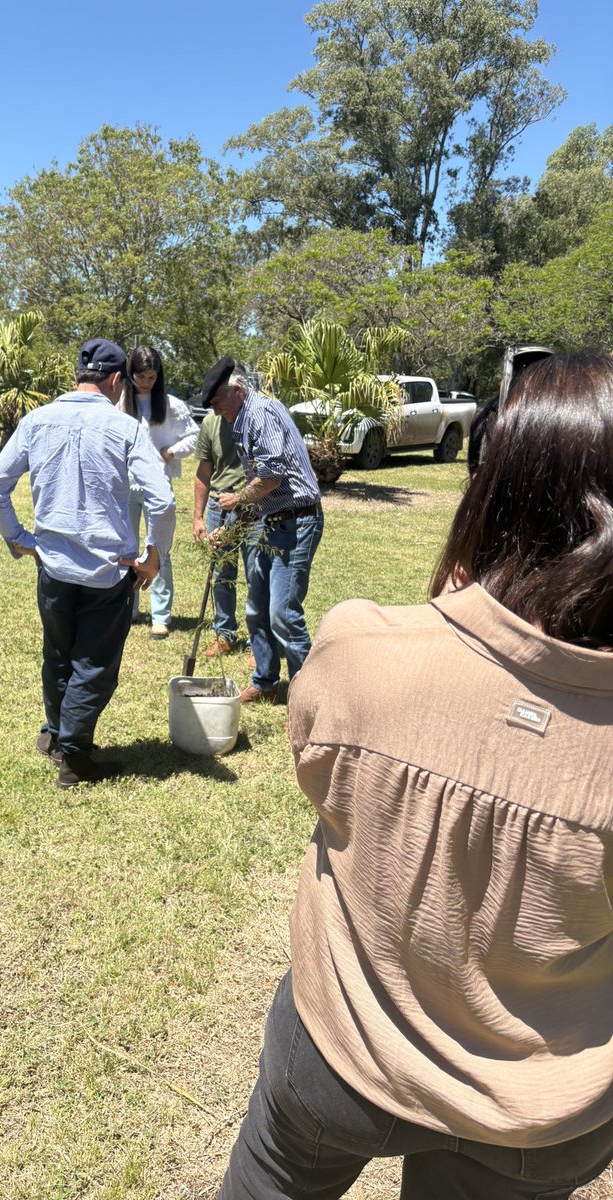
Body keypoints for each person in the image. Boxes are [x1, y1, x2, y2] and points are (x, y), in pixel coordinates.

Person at [218, 352, 613, 1200]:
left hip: (341, 1048)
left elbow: (319, 777)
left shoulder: (364, 648)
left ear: (495, 484)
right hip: (538, 1108)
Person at [0, 338, 176, 789]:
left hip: (52, 565)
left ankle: (54, 734)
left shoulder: (37, 419)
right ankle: (75, 756)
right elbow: (162, 501)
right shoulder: (124, 428)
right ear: (114, 380)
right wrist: (153, 556)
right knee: (94, 663)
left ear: (78, 376)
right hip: (106, 570)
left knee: (58, 652)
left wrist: (18, 538)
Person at [200, 357, 323, 703]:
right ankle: (266, 680)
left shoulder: (260, 414)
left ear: (237, 390)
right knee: (256, 609)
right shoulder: (241, 419)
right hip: (273, 521)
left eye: (218, 401)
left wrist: (236, 499)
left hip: (298, 521)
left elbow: (270, 478)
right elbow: (263, 492)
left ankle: (306, 695)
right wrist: (233, 530)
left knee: (282, 614)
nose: (215, 409)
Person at [117, 346, 197, 639]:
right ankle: (128, 606)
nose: (146, 383)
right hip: (125, 486)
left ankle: (160, 616)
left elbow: (193, 437)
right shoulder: (120, 402)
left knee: (158, 548)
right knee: (124, 547)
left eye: (152, 377)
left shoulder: (170, 404)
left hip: (157, 488)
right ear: (130, 374)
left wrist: (171, 451)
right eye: (141, 376)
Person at [192, 409, 256, 659]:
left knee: (256, 575)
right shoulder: (210, 422)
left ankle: (257, 640)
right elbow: (203, 471)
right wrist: (198, 516)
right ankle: (224, 633)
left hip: (253, 504)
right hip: (219, 507)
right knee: (221, 573)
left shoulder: (255, 419)